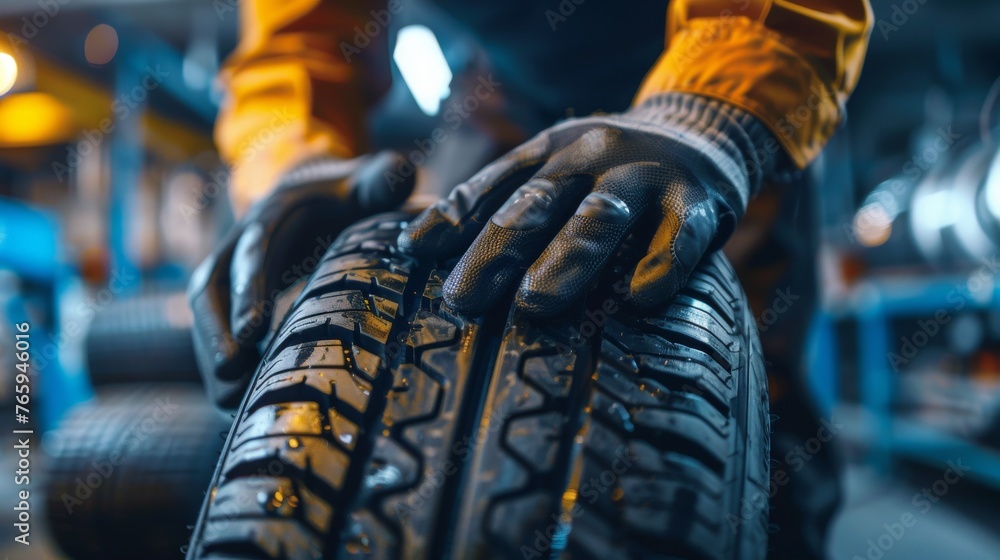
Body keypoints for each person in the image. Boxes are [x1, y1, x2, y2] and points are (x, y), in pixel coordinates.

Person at [188, 1, 872, 558]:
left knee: (742, 404)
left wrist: (709, 116)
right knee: (437, 292)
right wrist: (288, 162)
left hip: (701, 59)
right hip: (506, 88)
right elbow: (295, 42)